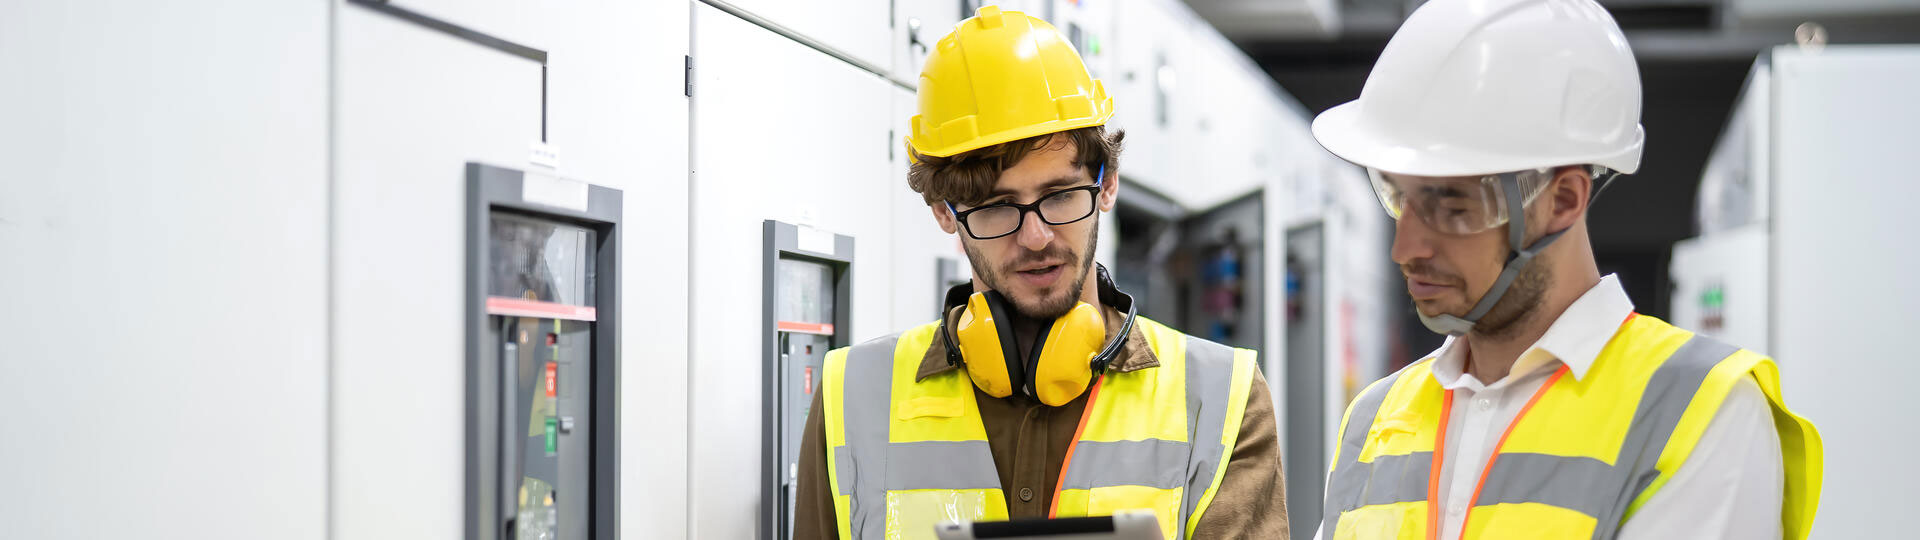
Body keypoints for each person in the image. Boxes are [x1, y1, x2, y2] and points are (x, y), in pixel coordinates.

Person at [1307, 0, 1822, 538]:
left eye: (1452, 204)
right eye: (1397, 196)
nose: (1405, 247)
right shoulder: (1374, 419)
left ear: (1564, 199)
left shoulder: (1702, 413)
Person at [791, 6, 1288, 539]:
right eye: (999, 206)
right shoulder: (852, 397)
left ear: (1108, 184)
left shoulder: (1220, 398)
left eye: (1059, 195)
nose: (1036, 237)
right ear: (944, 212)